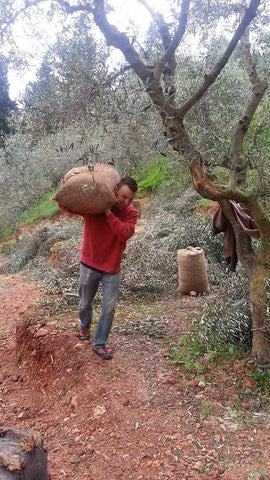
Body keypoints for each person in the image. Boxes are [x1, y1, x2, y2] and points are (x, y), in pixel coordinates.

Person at [58, 176, 138, 360]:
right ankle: (84, 327)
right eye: (124, 197)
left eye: (130, 199)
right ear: (115, 190)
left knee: (108, 309)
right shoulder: (94, 206)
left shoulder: (130, 213)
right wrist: (66, 188)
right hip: (89, 263)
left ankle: (99, 343)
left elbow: (124, 233)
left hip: (112, 269)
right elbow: (68, 206)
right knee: (85, 303)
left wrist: (108, 213)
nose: (126, 202)